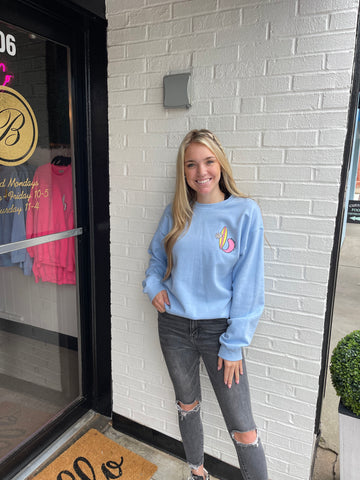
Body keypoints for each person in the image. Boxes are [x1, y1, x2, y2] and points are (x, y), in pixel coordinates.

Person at [143, 129, 268, 480]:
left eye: (208, 161)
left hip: (221, 333)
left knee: (243, 427)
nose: (201, 172)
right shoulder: (177, 212)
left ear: (220, 163)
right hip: (174, 326)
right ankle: (197, 473)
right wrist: (153, 287)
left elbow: (249, 284)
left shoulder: (244, 213)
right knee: (187, 406)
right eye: (192, 164)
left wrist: (234, 344)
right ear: (183, 171)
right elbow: (155, 261)